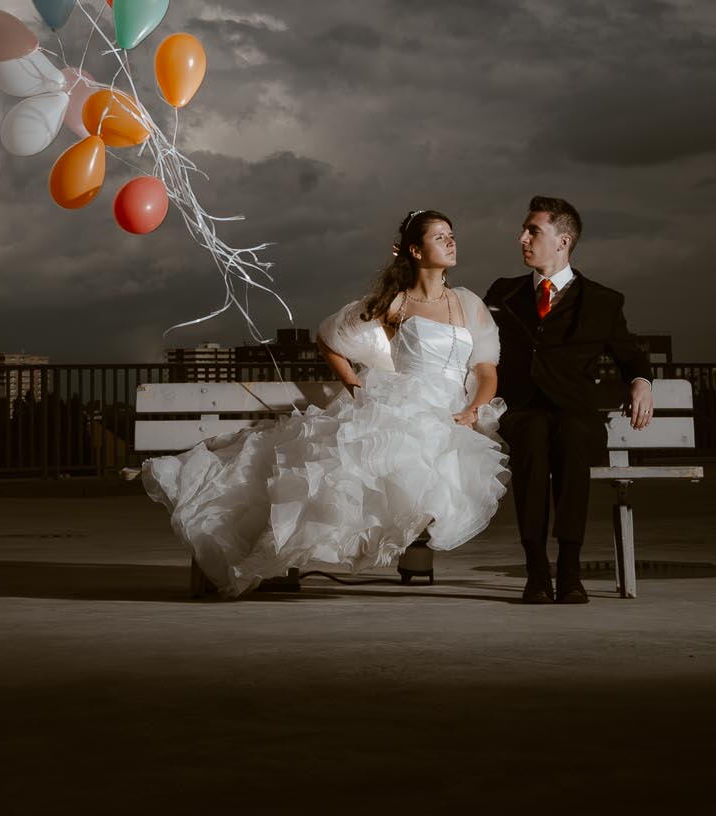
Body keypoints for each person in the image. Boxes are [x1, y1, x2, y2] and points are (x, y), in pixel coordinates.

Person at [140, 208, 509, 597]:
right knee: (341, 478)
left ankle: (403, 554)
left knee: (424, 473)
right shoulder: (395, 303)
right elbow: (329, 340)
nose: (451, 242)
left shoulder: (468, 303)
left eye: (452, 234)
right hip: (404, 403)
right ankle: (260, 547)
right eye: (440, 236)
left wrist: (473, 410)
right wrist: (356, 387)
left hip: (454, 410)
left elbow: (486, 371)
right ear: (416, 251)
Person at [484, 196, 653, 605]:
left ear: (562, 241)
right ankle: (537, 569)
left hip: (574, 412)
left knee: (572, 438)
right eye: (525, 230)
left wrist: (642, 380)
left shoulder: (602, 301)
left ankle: (570, 570)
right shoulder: (503, 293)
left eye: (533, 231)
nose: (521, 237)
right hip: (523, 410)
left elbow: (630, 354)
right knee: (533, 438)